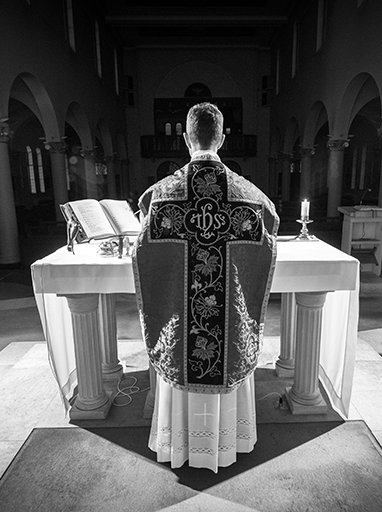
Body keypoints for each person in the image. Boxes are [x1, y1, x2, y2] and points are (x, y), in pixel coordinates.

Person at [132, 102, 279, 472]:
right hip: (226, 321)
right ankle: (229, 443)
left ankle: (179, 446)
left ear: (185, 138)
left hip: (182, 326)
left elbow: (143, 247)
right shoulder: (250, 195)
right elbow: (271, 230)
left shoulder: (159, 194)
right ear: (223, 138)